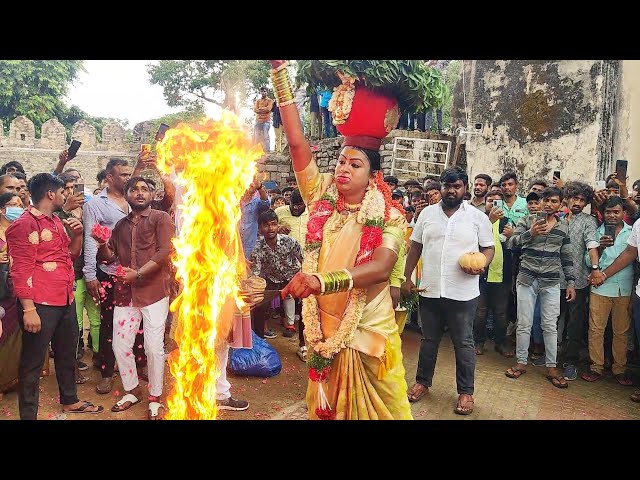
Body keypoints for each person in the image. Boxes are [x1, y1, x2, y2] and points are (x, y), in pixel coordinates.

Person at [271, 59, 415, 419]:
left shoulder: (390, 214)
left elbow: (381, 267)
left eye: (355, 164)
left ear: (373, 176)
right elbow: (296, 144)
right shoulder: (320, 197)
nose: (343, 169)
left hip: (366, 330)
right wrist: (279, 76)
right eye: (341, 161)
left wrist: (319, 281)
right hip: (324, 325)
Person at [6, 173, 103, 418]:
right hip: (39, 304)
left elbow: (69, 256)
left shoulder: (57, 222)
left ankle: (69, 400)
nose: (66, 196)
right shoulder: (23, 225)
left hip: (65, 299)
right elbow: (19, 269)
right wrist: (29, 309)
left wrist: (78, 235)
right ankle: (29, 414)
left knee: (66, 352)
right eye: (62, 192)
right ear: (51, 194)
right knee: (32, 363)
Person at [403, 166, 495, 415]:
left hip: (463, 292)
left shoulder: (477, 217)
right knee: (428, 339)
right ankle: (422, 382)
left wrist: (481, 264)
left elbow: (489, 248)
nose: (451, 190)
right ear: (441, 188)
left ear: (464, 189)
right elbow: (415, 247)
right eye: (447, 186)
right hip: (430, 289)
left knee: (463, 343)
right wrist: (406, 277)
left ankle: (466, 393)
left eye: (457, 186)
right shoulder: (427, 215)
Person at [92, 177, 174, 419]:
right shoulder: (120, 226)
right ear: (126, 195)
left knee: (153, 348)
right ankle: (132, 390)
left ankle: (155, 397)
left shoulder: (161, 218)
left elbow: (164, 252)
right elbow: (107, 258)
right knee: (120, 345)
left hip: (154, 292)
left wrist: (137, 273)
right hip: (125, 293)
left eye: (144, 190)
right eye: (134, 190)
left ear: (152, 194)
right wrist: (100, 243)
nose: (139, 193)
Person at [505, 187, 576, 389]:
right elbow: (512, 243)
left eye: (554, 201)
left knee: (549, 325)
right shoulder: (527, 221)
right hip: (527, 278)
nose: (549, 204)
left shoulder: (564, 227)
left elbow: (567, 256)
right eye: (546, 200)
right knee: (524, 322)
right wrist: (530, 233)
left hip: (552, 281)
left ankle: (551, 367)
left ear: (561, 204)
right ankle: (521, 362)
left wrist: (570, 282)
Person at [581, 196, 633, 385]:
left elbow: (634, 261)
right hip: (600, 288)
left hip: (624, 289)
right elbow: (588, 262)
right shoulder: (596, 232)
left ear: (623, 213)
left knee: (621, 331)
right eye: (608, 212)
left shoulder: (632, 232)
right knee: (596, 330)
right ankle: (596, 367)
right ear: (603, 214)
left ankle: (619, 369)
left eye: (616, 212)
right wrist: (600, 248)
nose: (612, 215)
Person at [249, 210, 303, 338]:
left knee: (304, 306)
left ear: (278, 225)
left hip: (292, 277)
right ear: (260, 228)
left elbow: (303, 258)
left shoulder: (289, 241)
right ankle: (259, 337)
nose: (270, 228)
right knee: (259, 304)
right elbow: (256, 272)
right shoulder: (257, 247)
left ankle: (300, 340)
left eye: (273, 224)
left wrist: (303, 277)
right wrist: (254, 289)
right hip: (272, 279)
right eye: (266, 225)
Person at [0, 192, 24, 396]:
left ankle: (13, 378)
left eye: (20, 204)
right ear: (1, 209)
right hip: (2, 292)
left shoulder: (20, 232)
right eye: (12, 205)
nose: (18, 208)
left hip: (20, 289)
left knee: (18, 334)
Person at [254, 87, 274, 153]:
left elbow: (269, 109)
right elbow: (255, 110)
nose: (263, 93)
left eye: (264, 91)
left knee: (266, 136)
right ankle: (256, 150)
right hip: (258, 121)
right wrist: (263, 109)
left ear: (267, 92)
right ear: (260, 92)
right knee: (256, 137)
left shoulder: (270, 100)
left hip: (266, 121)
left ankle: (267, 151)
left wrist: (260, 109)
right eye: (262, 91)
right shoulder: (258, 101)